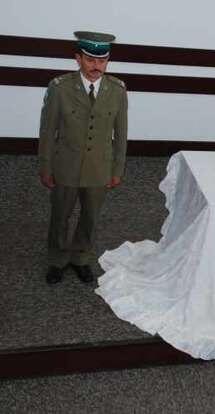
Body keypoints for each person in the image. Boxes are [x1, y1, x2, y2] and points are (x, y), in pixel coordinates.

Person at [38, 31, 128, 284]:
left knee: (91, 217)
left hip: (99, 167)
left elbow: (121, 134)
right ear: (78, 59)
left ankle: (81, 258)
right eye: (90, 60)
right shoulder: (59, 88)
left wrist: (117, 169)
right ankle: (57, 259)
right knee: (60, 215)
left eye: (102, 60)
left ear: (107, 62)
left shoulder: (117, 90)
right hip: (65, 164)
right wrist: (45, 167)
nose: (96, 66)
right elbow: (47, 131)